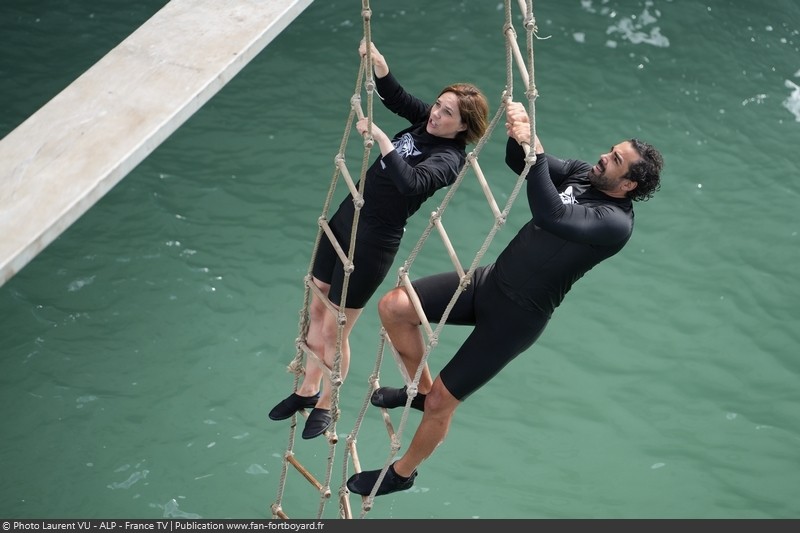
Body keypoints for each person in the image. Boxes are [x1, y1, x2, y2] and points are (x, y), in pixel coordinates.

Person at [346, 101, 664, 495]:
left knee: (443, 404)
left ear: (629, 183)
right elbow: (523, 164)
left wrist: (538, 149)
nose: (603, 157)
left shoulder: (614, 223)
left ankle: (401, 473)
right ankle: (420, 390)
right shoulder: (584, 173)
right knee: (394, 307)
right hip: (488, 282)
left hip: (516, 319)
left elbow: (552, 215)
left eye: (615, 159)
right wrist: (520, 134)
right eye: (610, 150)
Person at [268, 41, 490, 440]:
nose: (436, 114)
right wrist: (382, 68)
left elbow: (410, 183)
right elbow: (398, 99)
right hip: (346, 216)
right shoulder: (428, 121)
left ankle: (326, 405)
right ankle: (306, 389)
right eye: (438, 105)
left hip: (374, 240)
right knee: (318, 307)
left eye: (447, 113)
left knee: (337, 326)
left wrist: (384, 141)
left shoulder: (449, 159)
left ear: (463, 127)